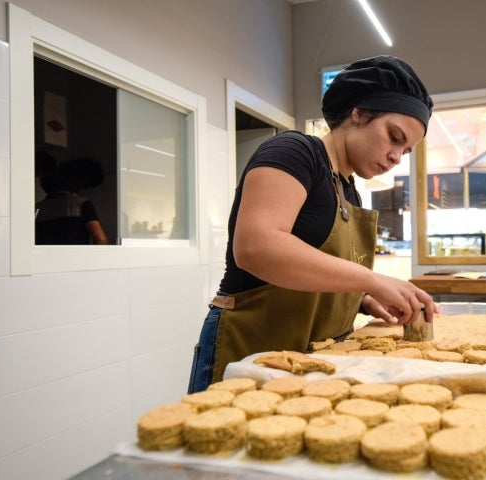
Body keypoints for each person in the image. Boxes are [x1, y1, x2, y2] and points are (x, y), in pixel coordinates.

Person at [188, 56, 438, 393]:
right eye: (394, 137)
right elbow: (256, 247)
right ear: (359, 113)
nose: (396, 156)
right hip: (252, 350)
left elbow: (316, 269)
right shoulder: (294, 152)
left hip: (315, 363)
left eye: (405, 151)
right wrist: (371, 279)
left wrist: (363, 297)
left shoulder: (351, 192)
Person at [35, 157, 110, 245]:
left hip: (44, 258)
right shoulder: (81, 204)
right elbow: (100, 239)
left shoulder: (37, 208)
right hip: (76, 258)